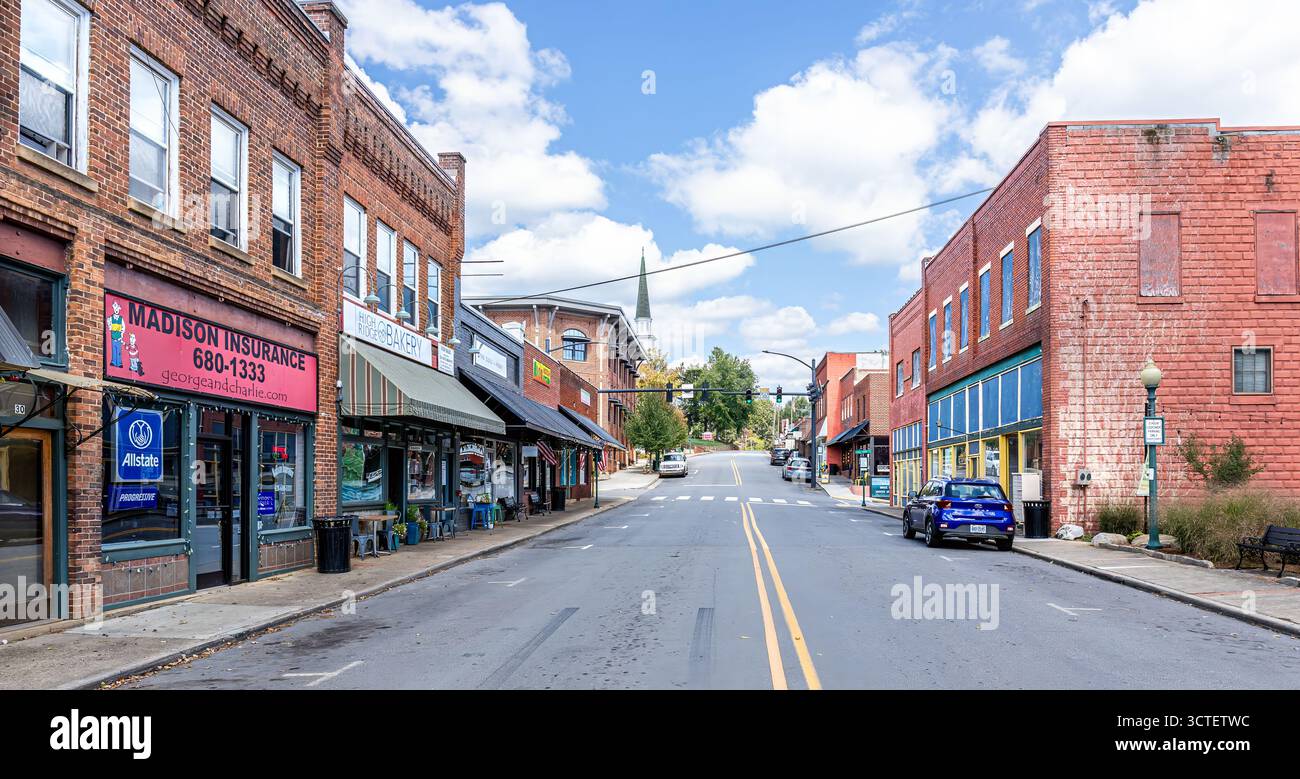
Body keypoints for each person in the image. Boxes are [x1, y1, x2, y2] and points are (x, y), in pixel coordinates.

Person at [107, 301, 125, 368]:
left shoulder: (121, 318)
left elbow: (123, 327)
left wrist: (121, 334)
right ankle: (113, 362)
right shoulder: (111, 318)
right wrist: (109, 323)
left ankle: (119, 363)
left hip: (119, 337)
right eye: (115, 309)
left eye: (117, 309)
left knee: (119, 350)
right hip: (113, 336)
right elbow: (109, 327)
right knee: (114, 349)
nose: (116, 310)